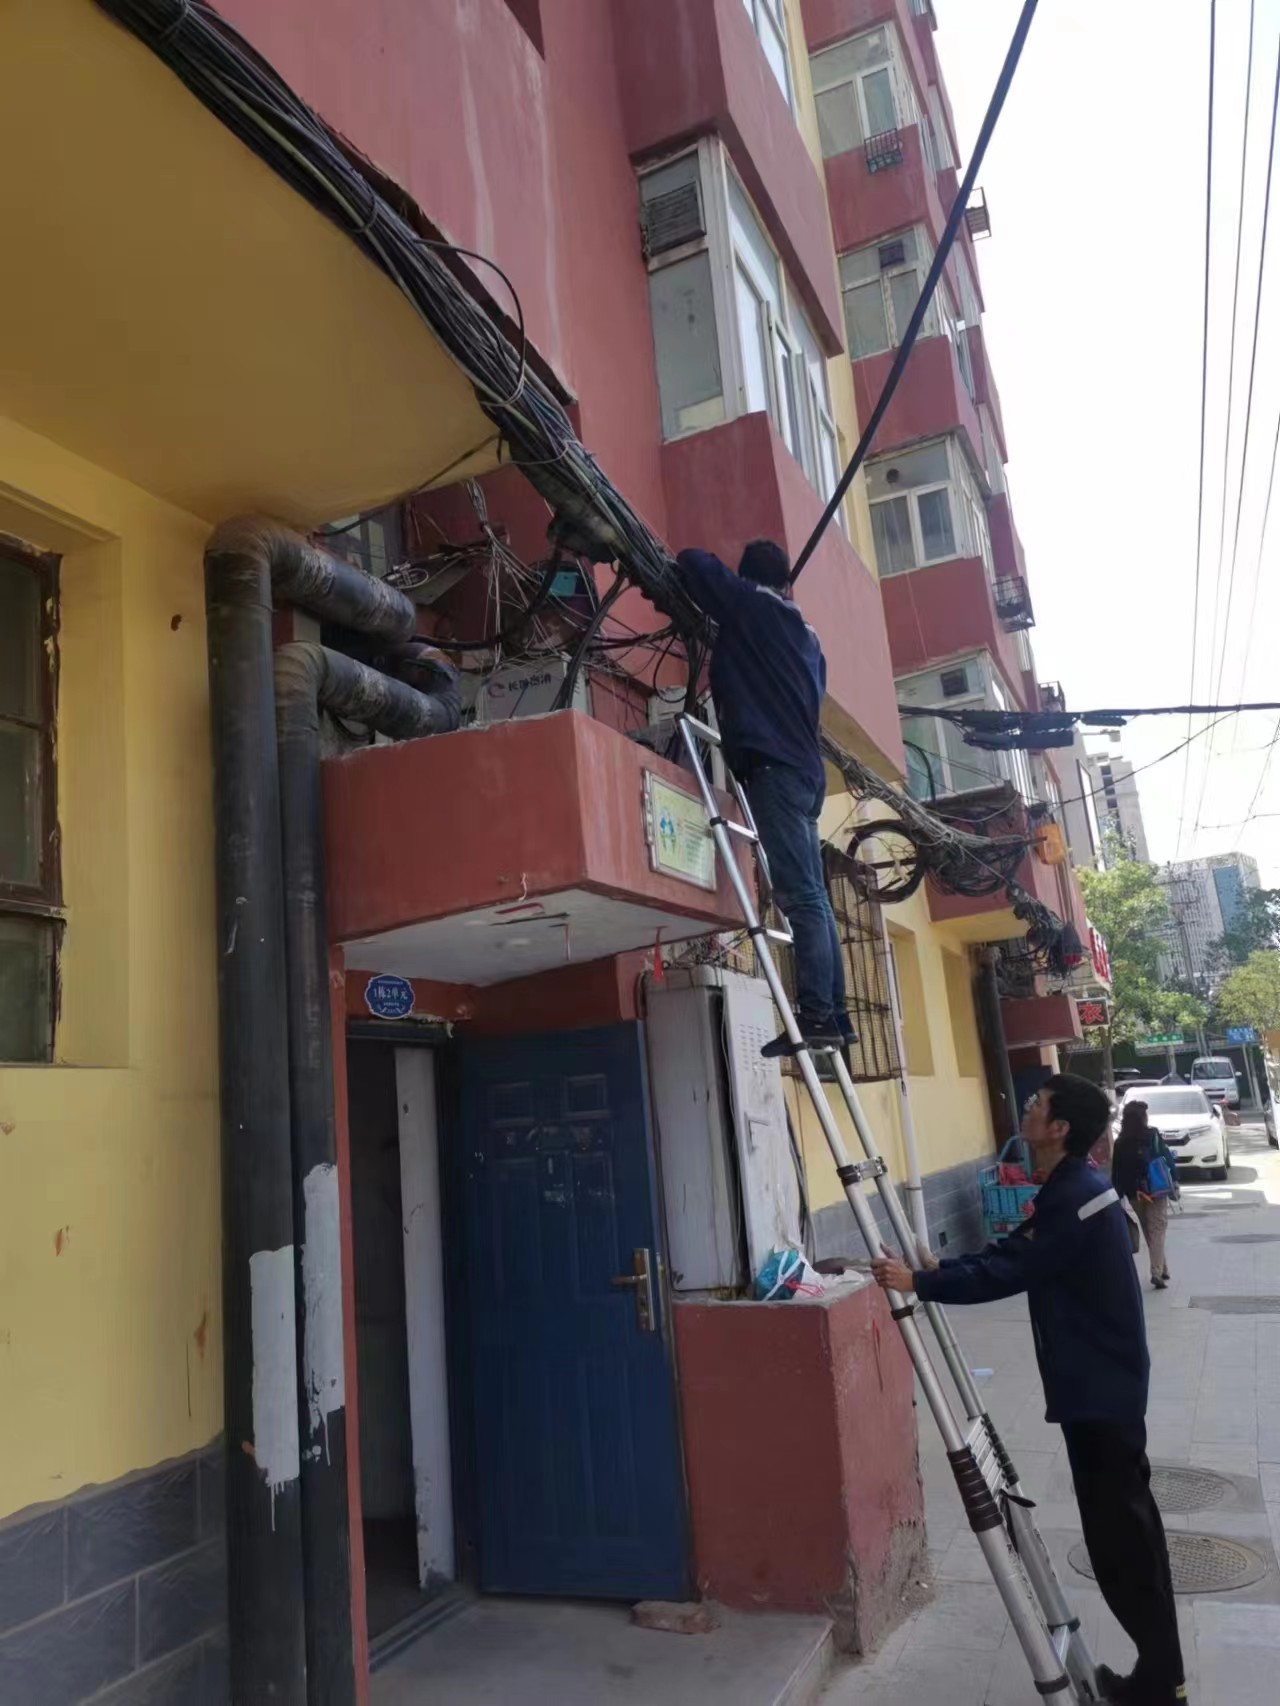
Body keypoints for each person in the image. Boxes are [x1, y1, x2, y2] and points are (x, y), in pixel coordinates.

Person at [870, 1074, 1185, 1706]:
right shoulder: (1070, 1188)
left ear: (1060, 1128)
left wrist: (919, 1284)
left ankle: (1159, 1683)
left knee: (1123, 1544)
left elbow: (1012, 1269)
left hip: (1101, 1396)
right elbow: (1016, 1249)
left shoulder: (1077, 1195)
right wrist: (941, 1268)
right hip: (1102, 1389)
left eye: (1038, 1104)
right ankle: (1162, 1677)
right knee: (1127, 1535)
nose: (1028, 1108)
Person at [675, 540, 851, 1058]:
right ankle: (835, 1016)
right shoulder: (809, 639)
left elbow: (693, 561)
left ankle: (816, 1016)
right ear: (787, 584)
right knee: (815, 899)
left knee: (803, 899)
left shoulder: (751, 606)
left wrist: (736, 594)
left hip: (775, 770)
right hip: (806, 775)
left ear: (751, 578)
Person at [1112, 1099, 1177, 1290]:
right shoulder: (1152, 1135)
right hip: (1155, 1189)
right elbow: (1166, 1156)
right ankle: (1156, 1272)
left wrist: (1118, 1195)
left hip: (1134, 1193)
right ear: (1143, 1118)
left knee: (1149, 1230)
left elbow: (1116, 1172)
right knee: (1157, 1228)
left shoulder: (1120, 1143)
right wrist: (1175, 1178)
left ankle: (1163, 1269)